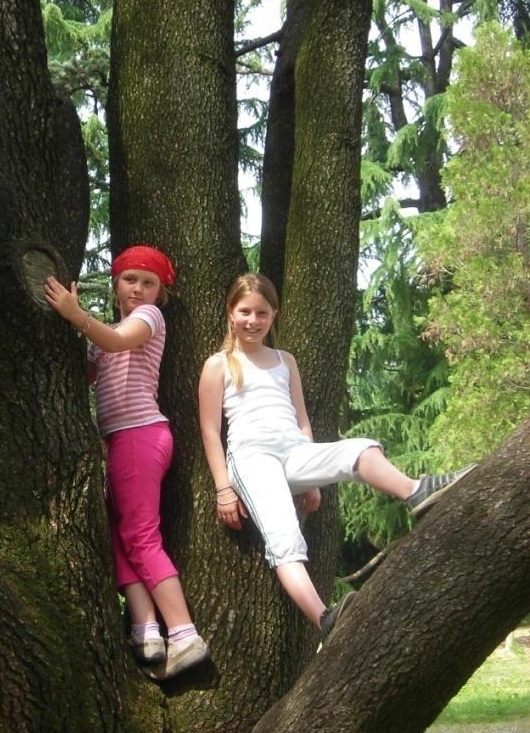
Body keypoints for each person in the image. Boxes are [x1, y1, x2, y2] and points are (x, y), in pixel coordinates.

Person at [198, 273, 475, 643]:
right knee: (285, 538)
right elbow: (210, 430)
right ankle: (325, 619)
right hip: (252, 458)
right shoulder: (219, 364)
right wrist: (223, 489)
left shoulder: (285, 360)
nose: (253, 320)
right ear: (231, 313)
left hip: (295, 451)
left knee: (360, 448)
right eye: (245, 311)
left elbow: (302, 420)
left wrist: (312, 481)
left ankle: (416, 492)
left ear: (274, 314)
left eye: (261, 313)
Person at [44, 246, 209, 680]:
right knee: (119, 538)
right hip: (118, 442)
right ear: (116, 282)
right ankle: (146, 630)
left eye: (148, 283)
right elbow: (89, 367)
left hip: (140, 435)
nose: (138, 289)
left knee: (140, 537)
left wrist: (74, 314)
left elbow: (116, 340)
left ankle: (184, 633)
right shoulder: (108, 331)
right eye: (130, 279)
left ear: (160, 293)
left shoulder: (149, 319)